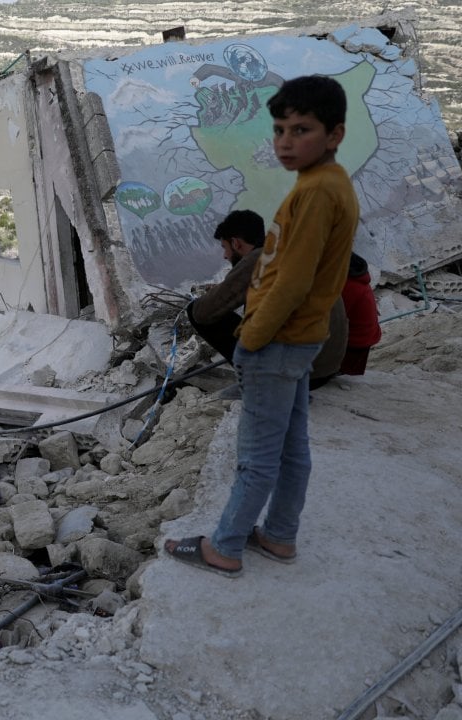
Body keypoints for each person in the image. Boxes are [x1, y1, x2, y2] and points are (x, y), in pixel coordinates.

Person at [164, 75, 359, 577]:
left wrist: (250, 341)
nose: (286, 142)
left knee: (256, 457)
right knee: (293, 448)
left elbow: (290, 282)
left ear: (334, 134)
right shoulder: (325, 184)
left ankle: (225, 547)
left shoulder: (316, 193)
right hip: (301, 342)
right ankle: (278, 535)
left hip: (278, 343)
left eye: (301, 129)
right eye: (279, 130)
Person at [188, 210, 348, 392]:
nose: (225, 255)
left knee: (194, 311)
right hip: (326, 367)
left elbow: (203, 312)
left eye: (225, 248)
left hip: (303, 376)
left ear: (236, 243)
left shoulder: (259, 260)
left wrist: (215, 293)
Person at [339, 252, 382, 375]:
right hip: (364, 338)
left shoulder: (349, 285)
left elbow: (333, 318)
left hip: (355, 343)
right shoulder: (358, 280)